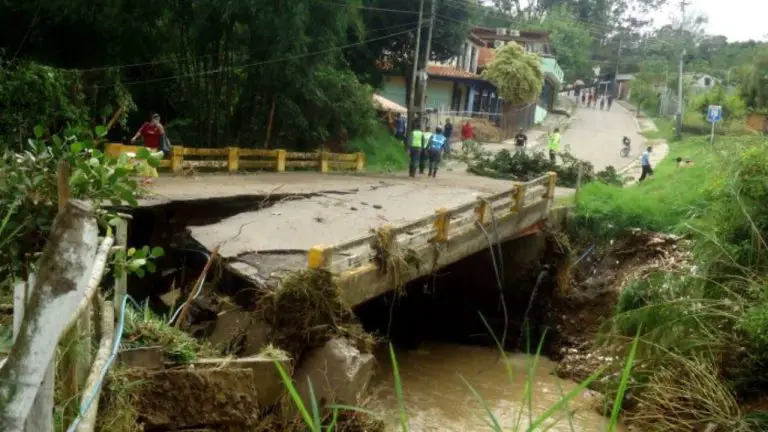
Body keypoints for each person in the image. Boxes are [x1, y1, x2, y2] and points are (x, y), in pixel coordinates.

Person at [131, 113, 165, 183]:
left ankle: (151, 177)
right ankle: (146, 177)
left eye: (158, 120)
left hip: (154, 148)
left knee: (152, 162)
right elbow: (140, 132)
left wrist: (160, 127)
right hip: (147, 147)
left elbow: (162, 134)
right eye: (156, 119)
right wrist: (135, 137)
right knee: (145, 162)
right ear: (152, 119)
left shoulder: (158, 127)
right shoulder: (146, 125)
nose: (157, 121)